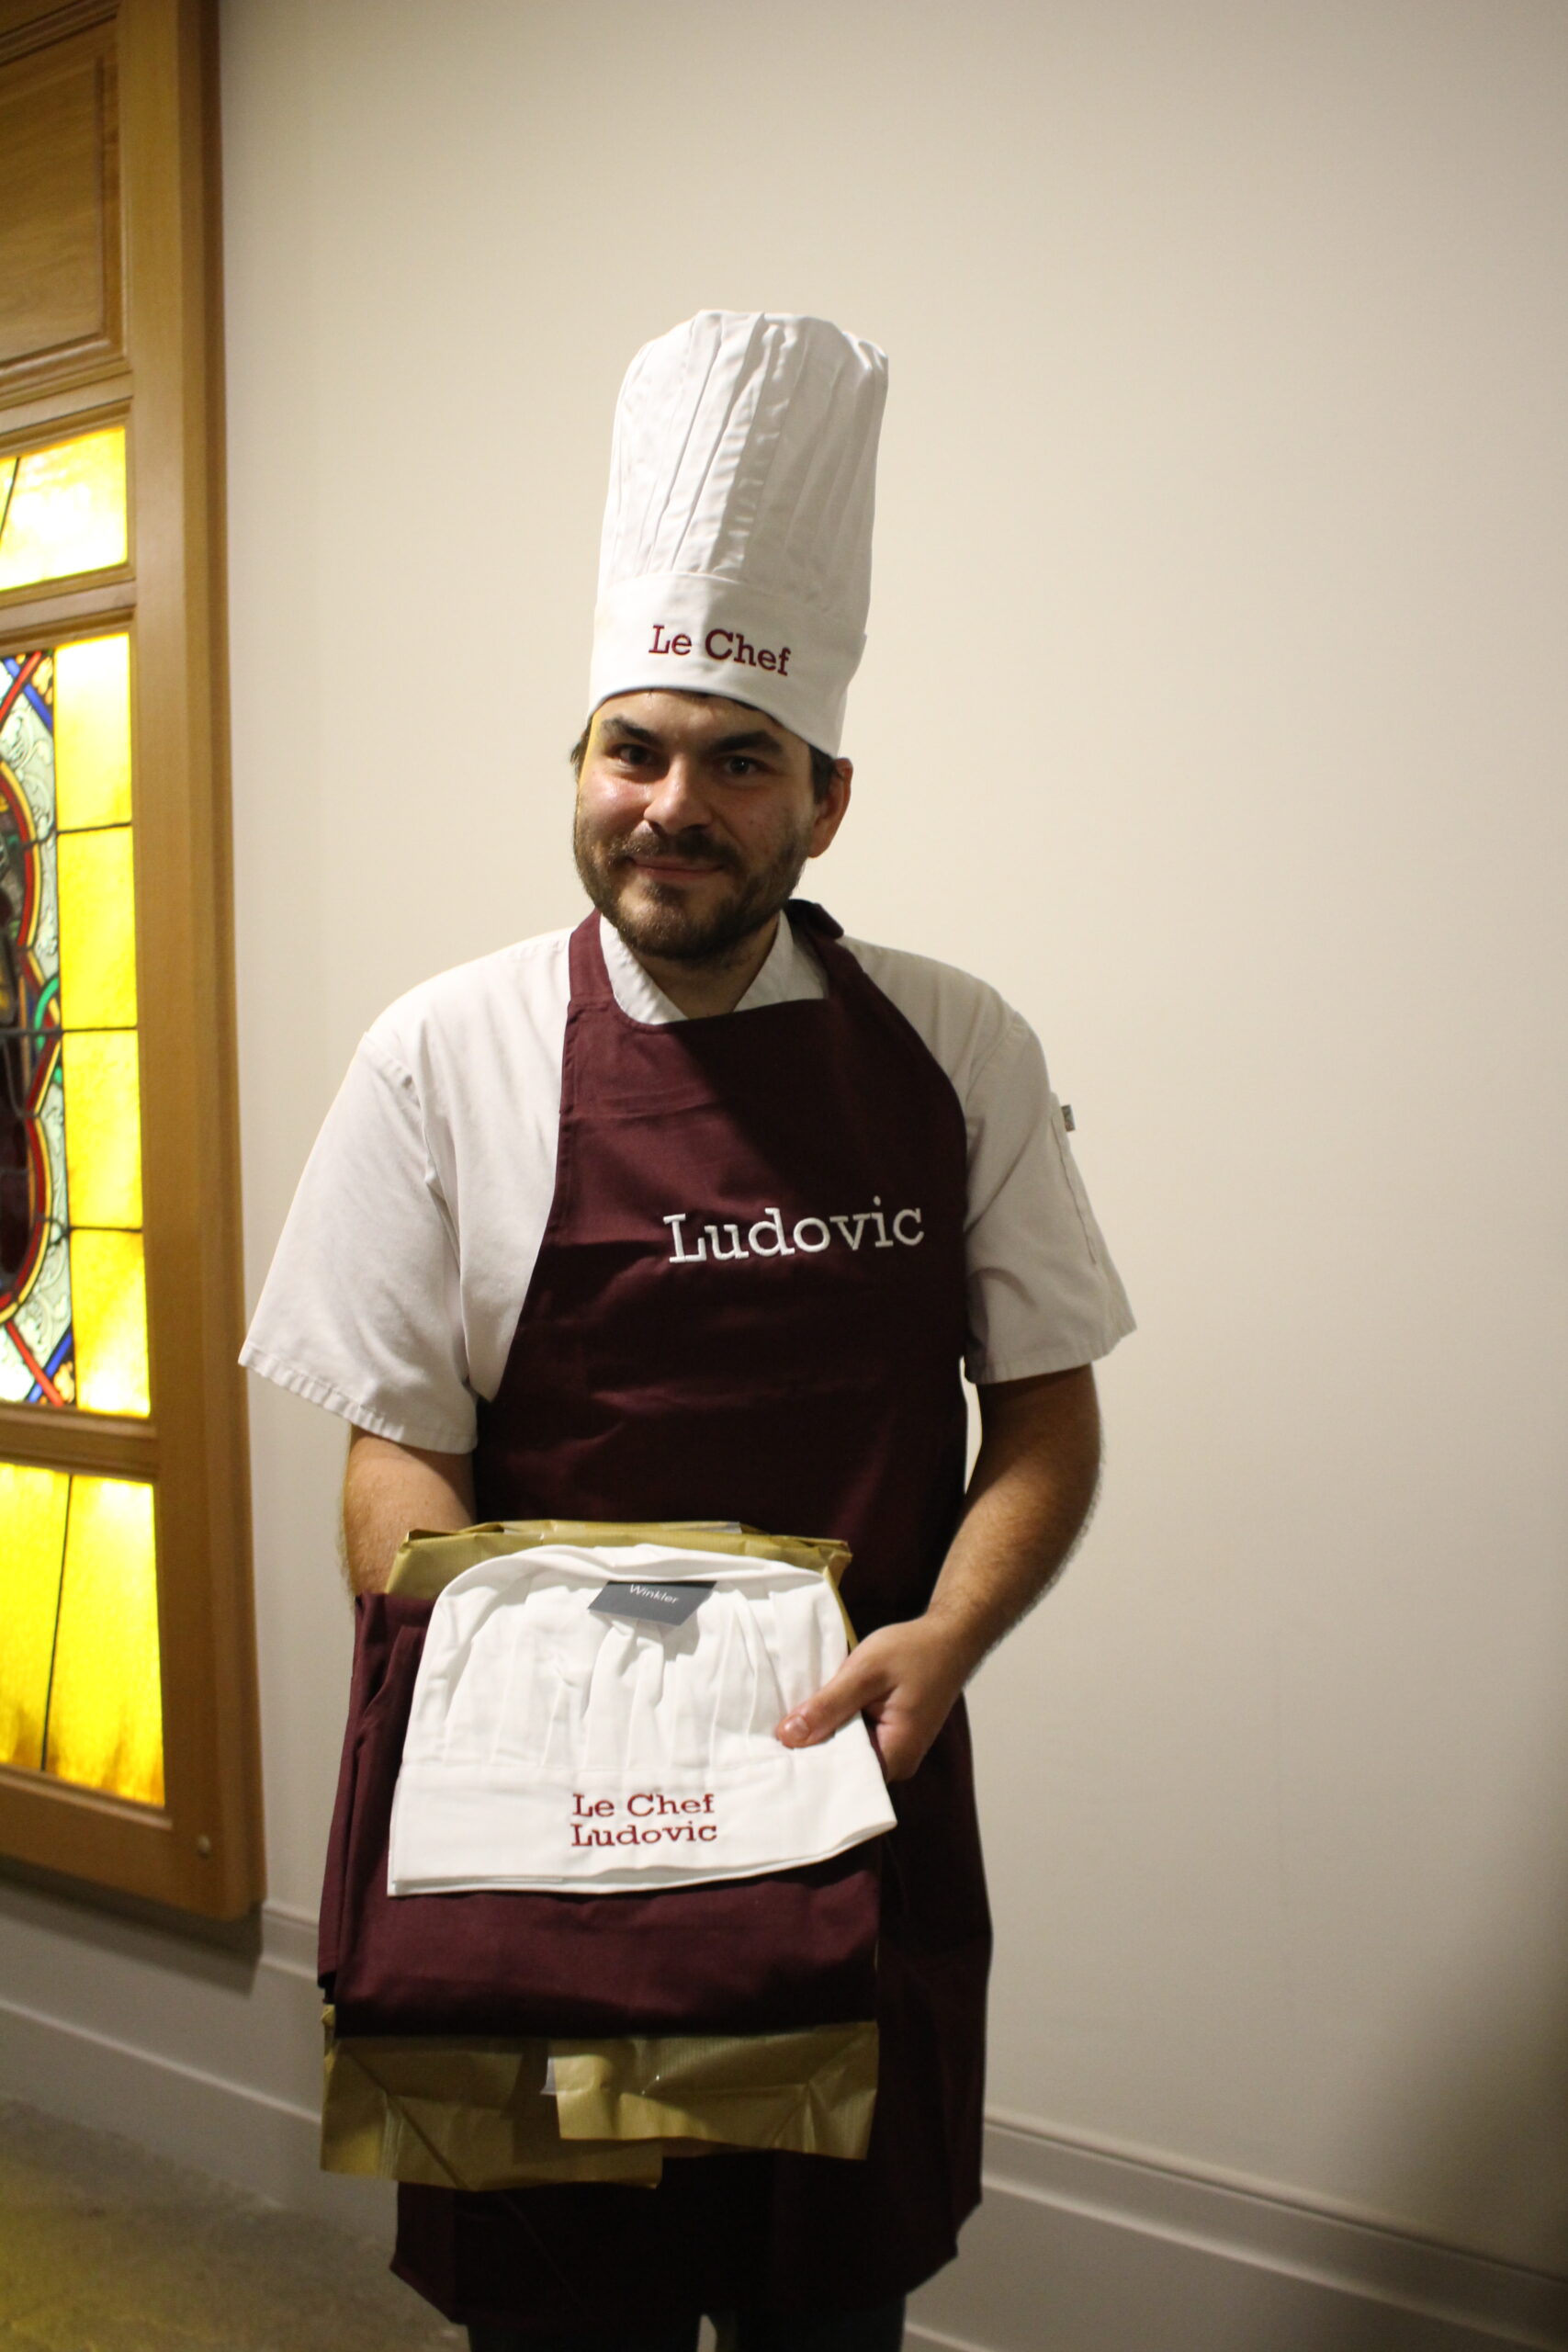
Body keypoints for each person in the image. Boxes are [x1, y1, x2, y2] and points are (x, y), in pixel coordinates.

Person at [243, 311, 1134, 2352]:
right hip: (539, 1824)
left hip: (855, 1786)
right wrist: (503, 1698)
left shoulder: (955, 1050)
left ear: (827, 797)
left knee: (827, 2307)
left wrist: (947, 1638)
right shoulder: (442, 1054)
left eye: (740, 761)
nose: (673, 803)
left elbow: (1047, 1413)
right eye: (632, 750)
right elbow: (394, 1442)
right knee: (566, 2314)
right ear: (577, 767)